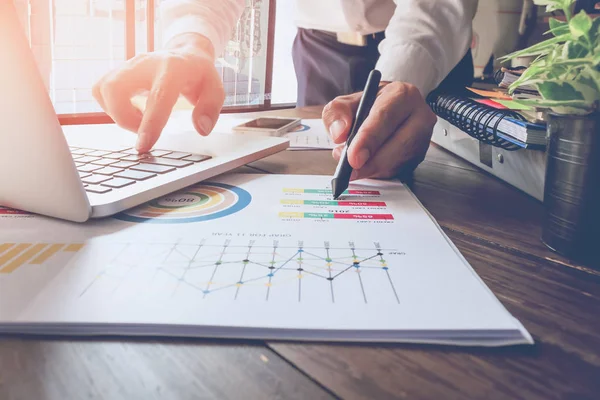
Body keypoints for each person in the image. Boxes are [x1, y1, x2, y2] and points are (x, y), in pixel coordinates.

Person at [93, 0, 478, 180]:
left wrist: (402, 73)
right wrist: (190, 42)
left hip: (430, 51)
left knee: (450, 190)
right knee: (340, 161)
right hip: (319, 50)